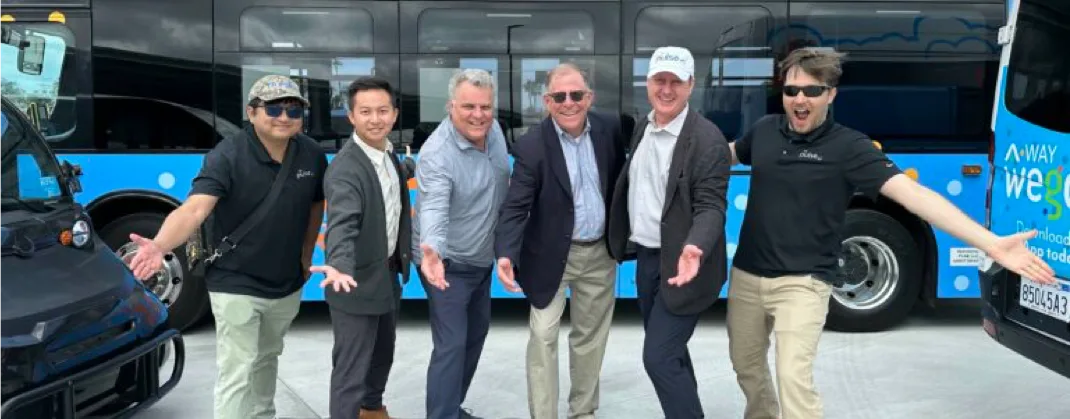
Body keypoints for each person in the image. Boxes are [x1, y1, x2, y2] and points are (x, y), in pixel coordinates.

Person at [725, 47, 1056, 419]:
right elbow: (725, 155)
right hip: (747, 277)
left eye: (812, 91)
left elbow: (914, 194)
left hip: (803, 284)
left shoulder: (850, 147)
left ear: (831, 94)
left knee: (793, 381)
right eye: (791, 90)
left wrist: (989, 242)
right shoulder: (764, 131)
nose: (800, 99)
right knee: (747, 369)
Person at [125, 74, 328, 419]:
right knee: (238, 368)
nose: (284, 117)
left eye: (293, 111)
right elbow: (195, 207)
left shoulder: (310, 153)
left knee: (267, 357)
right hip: (235, 281)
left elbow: (315, 205)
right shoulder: (228, 155)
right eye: (274, 108)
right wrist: (159, 246)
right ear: (251, 113)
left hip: (286, 281)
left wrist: (306, 254)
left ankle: (263, 414)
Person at [605, 46, 733, 419]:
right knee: (671, 353)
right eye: (659, 80)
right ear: (648, 83)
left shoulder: (707, 140)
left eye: (675, 82)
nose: (666, 89)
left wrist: (694, 247)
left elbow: (711, 206)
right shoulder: (644, 127)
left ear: (690, 85)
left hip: (683, 266)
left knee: (657, 357)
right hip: (648, 260)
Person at [494, 63, 626, 419]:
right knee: (543, 336)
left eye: (577, 95)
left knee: (589, 340)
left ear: (590, 97)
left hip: (600, 252)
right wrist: (505, 253)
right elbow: (515, 205)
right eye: (560, 96)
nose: (569, 103)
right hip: (550, 255)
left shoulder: (611, 129)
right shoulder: (532, 146)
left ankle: (582, 411)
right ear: (546, 101)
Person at [308, 76, 412, 419]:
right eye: (365, 111)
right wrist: (339, 263)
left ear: (395, 114)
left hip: (386, 275)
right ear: (351, 117)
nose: (375, 119)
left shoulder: (388, 156)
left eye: (383, 110)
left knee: (383, 355)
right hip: (352, 281)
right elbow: (343, 222)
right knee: (351, 371)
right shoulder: (345, 169)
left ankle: (372, 411)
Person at [412, 68, 511, 419]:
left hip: (481, 259)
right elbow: (435, 206)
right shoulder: (437, 154)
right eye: (469, 106)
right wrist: (433, 251)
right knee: (452, 345)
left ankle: (451, 408)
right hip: (447, 263)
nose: (478, 115)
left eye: (485, 107)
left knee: (474, 338)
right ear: (452, 106)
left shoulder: (494, 131)